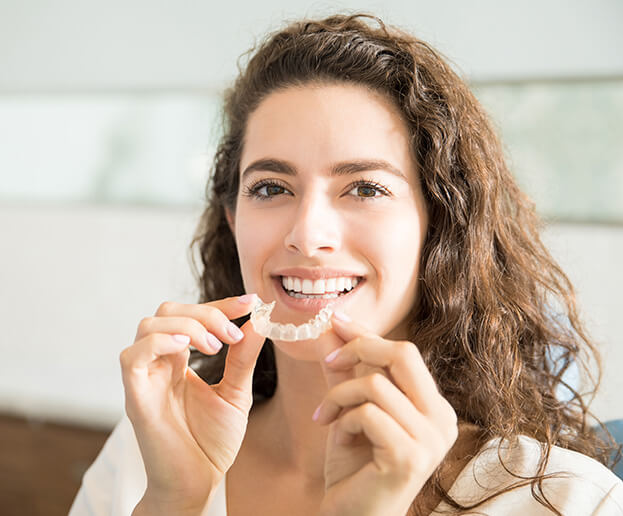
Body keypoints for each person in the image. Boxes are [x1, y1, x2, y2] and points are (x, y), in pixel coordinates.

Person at [70, 12, 623, 516]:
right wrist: (175, 501)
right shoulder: (149, 455)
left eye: (364, 187)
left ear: (440, 227)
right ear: (233, 219)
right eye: (270, 187)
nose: (308, 237)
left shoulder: (569, 501)